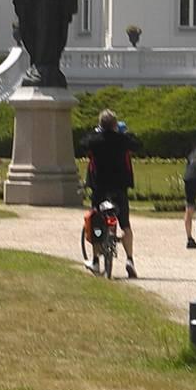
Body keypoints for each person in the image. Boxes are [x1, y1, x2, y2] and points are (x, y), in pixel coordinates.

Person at [84, 109, 141, 278]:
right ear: (115, 124)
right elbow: (137, 144)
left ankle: (95, 261)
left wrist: (95, 133)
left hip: (100, 188)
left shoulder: (94, 141)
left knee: (96, 222)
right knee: (125, 225)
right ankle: (130, 259)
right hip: (119, 188)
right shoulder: (122, 140)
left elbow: (83, 143)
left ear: (100, 125)